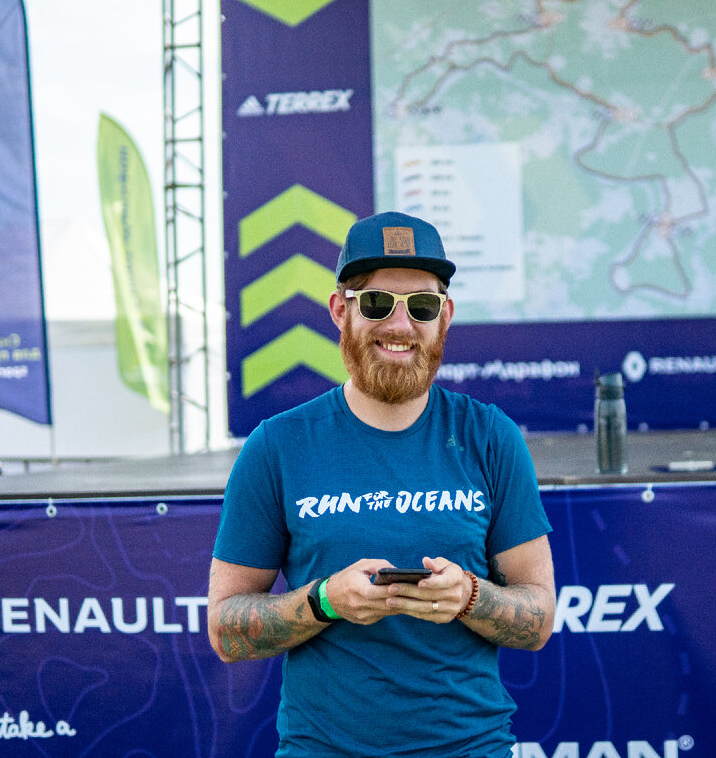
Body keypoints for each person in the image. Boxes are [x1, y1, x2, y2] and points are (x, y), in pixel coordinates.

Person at [207, 211, 555, 757]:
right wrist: (324, 600)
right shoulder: (277, 445)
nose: (399, 325)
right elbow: (226, 630)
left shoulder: (490, 436)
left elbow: (538, 621)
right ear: (339, 310)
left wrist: (469, 596)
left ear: (445, 317)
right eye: (376, 303)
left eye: (422, 306)